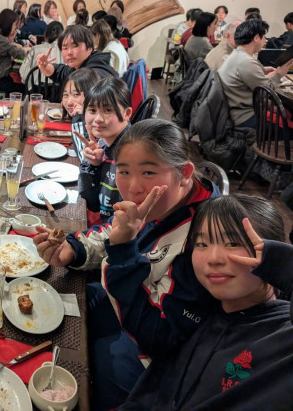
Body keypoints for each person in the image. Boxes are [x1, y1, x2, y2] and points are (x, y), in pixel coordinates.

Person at [34, 119, 221, 410]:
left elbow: (161, 337)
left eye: (148, 172)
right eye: (124, 171)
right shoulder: (163, 202)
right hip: (132, 302)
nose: (133, 187)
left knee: (95, 362)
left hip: (160, 359)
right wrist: (73, 249)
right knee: (64, 300)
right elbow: (114, 228)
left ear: (184, 174)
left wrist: (123, 250)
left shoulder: (208, 239)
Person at [122, 194, 293, 410]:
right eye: (202, 243)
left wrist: (285, 267)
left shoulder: (283, 336)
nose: (213, 258)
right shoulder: (199, 309)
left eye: (233, 243)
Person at [75, 77, 132, 222]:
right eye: (92, 110)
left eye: (108, 110)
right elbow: (92, 203)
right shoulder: (103, 143)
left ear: (127, 113)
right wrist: (93, 165)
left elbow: (126, 218)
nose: (98, 119)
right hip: (101, 223)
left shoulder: (132, 154)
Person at [218, 19, 293, 129]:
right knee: (288, 124)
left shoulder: (236, 55)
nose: (265, 41)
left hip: (233, 114)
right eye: (264, 37)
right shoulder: (247, 61)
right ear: (256, 38)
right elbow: (266, 92)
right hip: (245, 118)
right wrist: (279, 73)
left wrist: (262, 70)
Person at [36, 24, 118, 90]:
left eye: (75, 46)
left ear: (89, 48)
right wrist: (44, 66)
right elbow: (61, 71)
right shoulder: (80, 66)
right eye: (65, 48)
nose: (69, 52)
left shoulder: (95, 73)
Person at [20, 21, 64, 88]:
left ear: (45, 35)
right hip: (59, 92)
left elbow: (24, 75)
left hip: (35, 91)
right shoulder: (65, 51)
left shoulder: (34, 49)